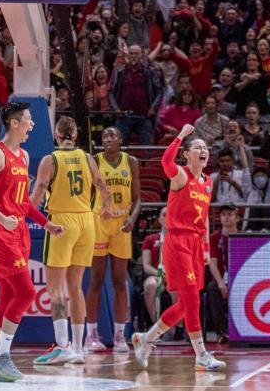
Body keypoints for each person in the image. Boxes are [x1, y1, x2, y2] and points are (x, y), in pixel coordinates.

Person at [0, 104, 64, 382]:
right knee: (25, 293)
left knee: (7, 297)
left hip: (18, 230)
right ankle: (2, 355)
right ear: (14, 123)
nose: (32, 125)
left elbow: (23, 201)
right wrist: (2, 218)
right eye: (28, 120)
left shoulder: (23, 156)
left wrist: (46, 223)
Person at [132, 124, 226, 373]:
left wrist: (206, 248)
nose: (203, 150)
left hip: (195, 244)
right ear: (187, 154)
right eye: (198, 148)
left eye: (205, 148)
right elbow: (165, 162)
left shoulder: (207, 182)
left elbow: (205, 217)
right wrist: (181, 136)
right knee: (192, 299)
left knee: (186, 305)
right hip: (178, 242)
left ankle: (146, 339)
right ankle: (201, 356)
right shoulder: (181, 176)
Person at [31, 116, 111, 365]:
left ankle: (63, 345)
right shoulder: (87, 158)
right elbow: (103, 186)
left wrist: (25, 213)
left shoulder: (50, 159)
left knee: (55, 289)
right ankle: (78, 348)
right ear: (75, 136)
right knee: (75, 287)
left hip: (62, 223)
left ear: (56, 136)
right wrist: (106, 207)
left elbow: (38, 191)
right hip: (86, 223)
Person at [86, 126, 140, 353]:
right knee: (96, 279)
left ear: (120, 139)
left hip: (121, 224)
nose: (108, 138)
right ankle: (91, 335)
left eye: (112, 135)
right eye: (105, 136)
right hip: (100, 221)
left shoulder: (131, 162)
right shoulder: (94, 161)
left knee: (119, 280)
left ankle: (119, 336)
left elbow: (138, 199)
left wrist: (132, 220)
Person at [206, 203, 239, 344]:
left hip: (239, 277)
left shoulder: (243, 236)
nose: (226, 217)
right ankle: (222, 331)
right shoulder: (214, 237)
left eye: (230, 214)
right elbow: (212, 263)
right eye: (223, 215)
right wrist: (220, 283)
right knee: (212, 287)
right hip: (221, 276)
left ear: (237, 218)